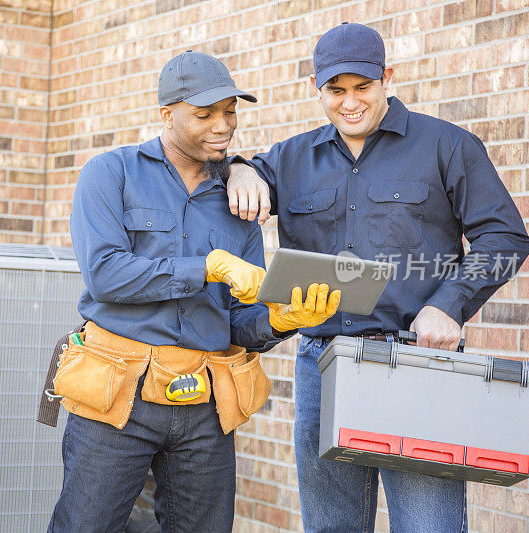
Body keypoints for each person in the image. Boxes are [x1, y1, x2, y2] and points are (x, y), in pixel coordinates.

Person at [226, 23, 529, 532]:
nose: (350, 103)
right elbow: (240, 175)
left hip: (416, 364)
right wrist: (239, 168)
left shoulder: (447, 146)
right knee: (332, 528)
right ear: (315, 87)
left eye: (362, 88)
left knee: (427, 526)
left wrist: (450, 305)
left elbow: (506, 240)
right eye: (335, 91)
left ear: (387, 77)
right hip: (321, 364)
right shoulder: (291, 159)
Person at [47, 50, 340, 533]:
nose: (222, 125)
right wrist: (206, 266)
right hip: (118, 394)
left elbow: (238, 318)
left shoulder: (237, 201)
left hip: (204, 401)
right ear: (167, 114)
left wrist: (280, 320)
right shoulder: (111, 173)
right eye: (204, 114)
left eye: (230, 111)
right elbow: (105, 274)